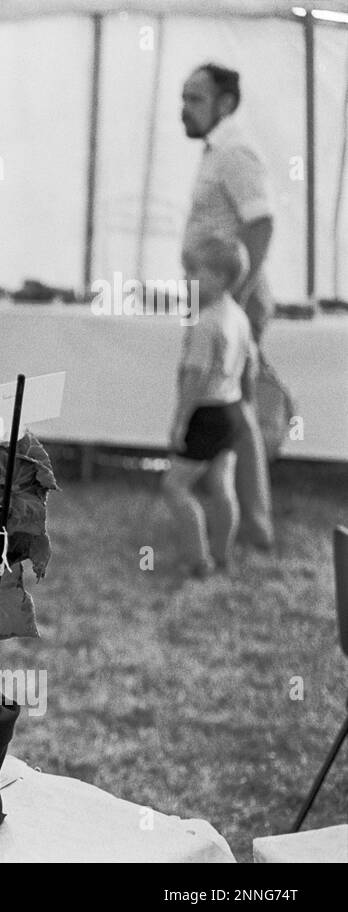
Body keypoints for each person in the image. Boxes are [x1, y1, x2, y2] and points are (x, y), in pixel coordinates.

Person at [180, 63, 275, 550]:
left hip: (233, 304)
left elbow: (260, 226)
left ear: (226, 103)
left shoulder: (235, 151)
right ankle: (229, 513)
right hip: (217, 304)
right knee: (225, 408)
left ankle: (254, 524)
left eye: (196, 98)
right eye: (184, 97)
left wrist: (232, 306)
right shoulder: (216, 150)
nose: (184, 108)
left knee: (237, 414)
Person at [164, 235, 256, 579]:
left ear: (218, 277)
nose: (186, 280)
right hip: (230, 409)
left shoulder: (205, 322)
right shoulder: (238, 316)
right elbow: (251, 363)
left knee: (174, 486)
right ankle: (222, 554)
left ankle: (198, 559)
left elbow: (194, 377)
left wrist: (179, 422)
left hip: (206, 413)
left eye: (193, 272)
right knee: (222, 484)